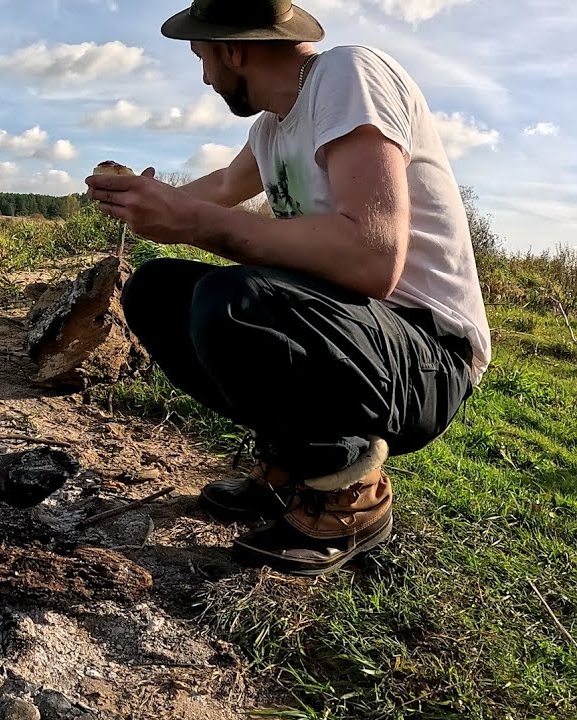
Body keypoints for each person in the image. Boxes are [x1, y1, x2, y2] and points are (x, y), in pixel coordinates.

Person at [85, 0, 491, 576]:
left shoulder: (349, 76)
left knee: (237, 302)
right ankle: (290, 465)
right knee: (155, 290)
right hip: (352, 336)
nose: (204, 76)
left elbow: (372, 259)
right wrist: (151, 202)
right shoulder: (272, 127)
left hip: (427, 355)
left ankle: (349, 498)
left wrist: (194, 224)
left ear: (233, 49)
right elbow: (225, 184)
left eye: (202, 57)